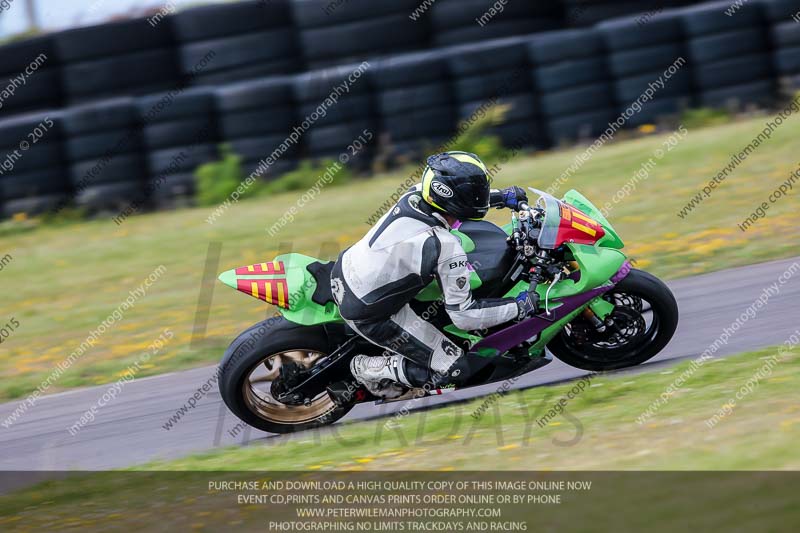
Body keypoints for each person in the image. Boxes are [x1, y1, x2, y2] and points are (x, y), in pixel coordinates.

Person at [330, 151, 540, 399]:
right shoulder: (443, 244)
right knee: (456, 370)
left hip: (349, 269)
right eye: (478, 190)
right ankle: (368, 368)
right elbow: (464, 316)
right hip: (370, 311)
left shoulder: (417, 192)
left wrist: (502, 197)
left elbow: (458, 198)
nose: (481, 194)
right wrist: (520, 306)